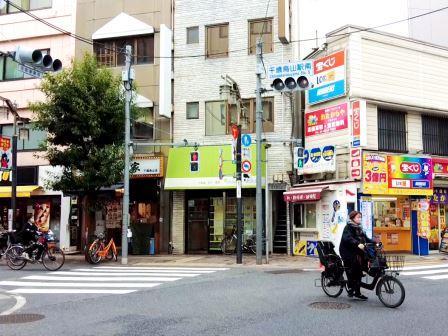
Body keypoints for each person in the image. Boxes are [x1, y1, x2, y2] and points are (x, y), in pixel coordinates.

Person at [339, 210, 374, 300]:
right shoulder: (348, 227)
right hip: (347, 251)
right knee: (354, 269)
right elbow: (347, 238)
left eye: (360, 217)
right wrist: (357, 243)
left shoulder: (359, 228)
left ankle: (357, 292)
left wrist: (375, 243)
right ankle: (351, 288)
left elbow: (366, 238)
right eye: (358, 217)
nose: (360, 219)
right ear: (352, 218)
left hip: (356, 251)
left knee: (360, 270)